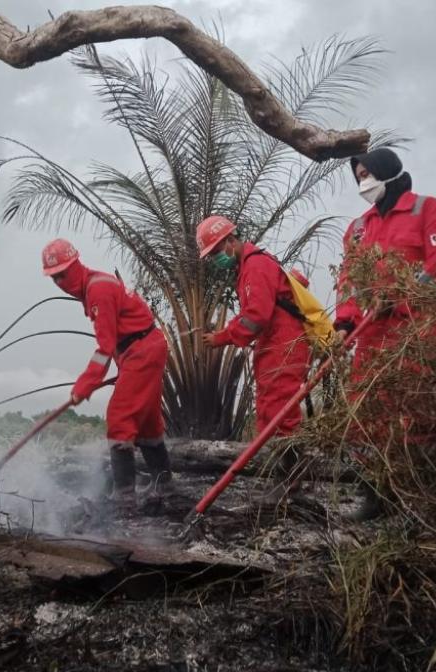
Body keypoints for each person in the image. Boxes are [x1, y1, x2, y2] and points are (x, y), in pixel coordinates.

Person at [334, 148, 436, 521]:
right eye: (358, 178)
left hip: (420, 334)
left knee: (421, 415)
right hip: (373, 338)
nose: (363, 183)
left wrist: (401, 297)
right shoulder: (357, 229)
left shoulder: (426, 210)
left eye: (367, 175)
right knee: (367, 415)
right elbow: (348, 282)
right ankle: (375, 497)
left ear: (387, 172)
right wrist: (344, 324)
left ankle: (426, 501)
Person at [196, 216, 332, 504]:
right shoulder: (249, 267)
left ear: (231, 241)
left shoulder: (256, 266)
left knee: (281, 411)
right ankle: (286, 479)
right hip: (274, 344)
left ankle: (293, 483)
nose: (216, 260)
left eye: (217, 252)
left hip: (284, 344)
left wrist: (221, 338)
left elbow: (256, 316)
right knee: (271, 411)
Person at [42, 238, 172, 513]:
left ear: (76, 264)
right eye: (54, 278)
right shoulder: (94, 286)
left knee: (120, 417)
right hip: (141, 350)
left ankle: (124, 496)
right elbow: (114, 344)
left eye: (63, 274)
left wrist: (84, 385)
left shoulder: (98, 290)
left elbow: (105, 348)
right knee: (147, 420)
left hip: (142, 351)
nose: (60, 282)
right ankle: (164, 485)